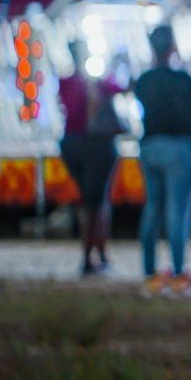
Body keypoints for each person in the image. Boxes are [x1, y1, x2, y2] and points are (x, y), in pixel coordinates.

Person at [133, 24, 191, 298]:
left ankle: (150, 273)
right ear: (173, 46)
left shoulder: (144, 80)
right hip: (179, 148)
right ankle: (177, 273)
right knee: (177, 210)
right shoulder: (184, 80)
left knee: (152, 208)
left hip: (150, 146)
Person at [58, 39, 125, 276]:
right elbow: (121, 88)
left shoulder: (65, 83)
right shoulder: (99, 82)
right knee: (97, 204)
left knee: (89, 201)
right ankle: (95, 256)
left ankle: (93, 255)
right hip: (97, 146)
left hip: (72, 145)